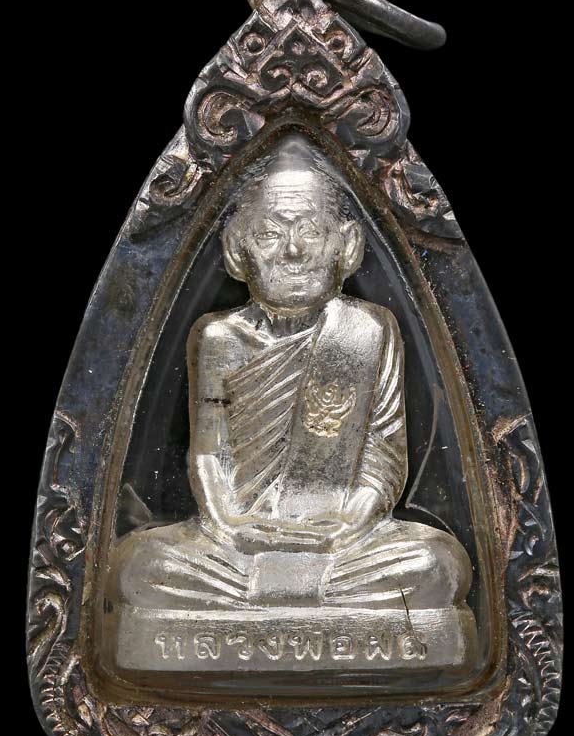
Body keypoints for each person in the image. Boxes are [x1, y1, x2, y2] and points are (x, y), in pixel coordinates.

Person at [110, 133, 472, 616]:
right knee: (138, 565)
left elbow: (383, 455)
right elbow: (210, 455)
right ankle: (292, 601)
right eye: (269, 235)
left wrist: (350, 525)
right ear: (237, 251)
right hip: (236, 546)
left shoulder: (367, 330)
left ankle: (272, 602)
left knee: (438, 565)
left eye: (311, 231)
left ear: (347, 245)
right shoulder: (218, 338)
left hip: (345, 545)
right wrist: (231, 525)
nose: (293, 251)